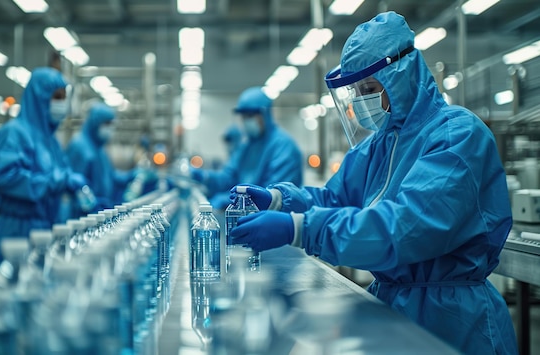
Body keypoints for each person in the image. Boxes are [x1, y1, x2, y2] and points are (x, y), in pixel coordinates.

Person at [229, 12, 517, 354]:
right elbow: (335, 198)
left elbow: (404, 228)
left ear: (400, 74)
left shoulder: (456, 136)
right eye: (356, 91)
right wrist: (281, 201)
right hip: (392, 307)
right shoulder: (379, 145)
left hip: (452, 317)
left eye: (368, 88)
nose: (360, 100)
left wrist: (300, 229)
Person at [0, 67, 92, 260]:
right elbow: (6, 178)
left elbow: (62, 174)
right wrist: (57, 181)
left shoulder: (51, 141)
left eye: (64, 97)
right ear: (40, 98)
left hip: (46, 230)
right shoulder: (14, 133)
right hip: (17, 233)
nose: (62, 103)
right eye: (57, 97)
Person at [191, 86, 303, 209]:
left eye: (250, 116)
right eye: (243, 117)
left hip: (275, 220)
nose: (246, 121)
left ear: (265, 114)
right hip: (247, 215)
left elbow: (274, 195)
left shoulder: (283, 147)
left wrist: (230, 200)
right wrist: (204, 177)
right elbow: (228, 176)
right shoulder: (247, 146)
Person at [65, 102, 135, 217]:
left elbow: (110, 176)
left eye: (112, 124)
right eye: (106, 123)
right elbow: (75, 185)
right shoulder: (80, 146)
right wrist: (90, 204)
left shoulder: (100, 149)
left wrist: (130, 176)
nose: (110, 128)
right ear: (95, 123)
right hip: (83, 215)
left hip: (101, 213)